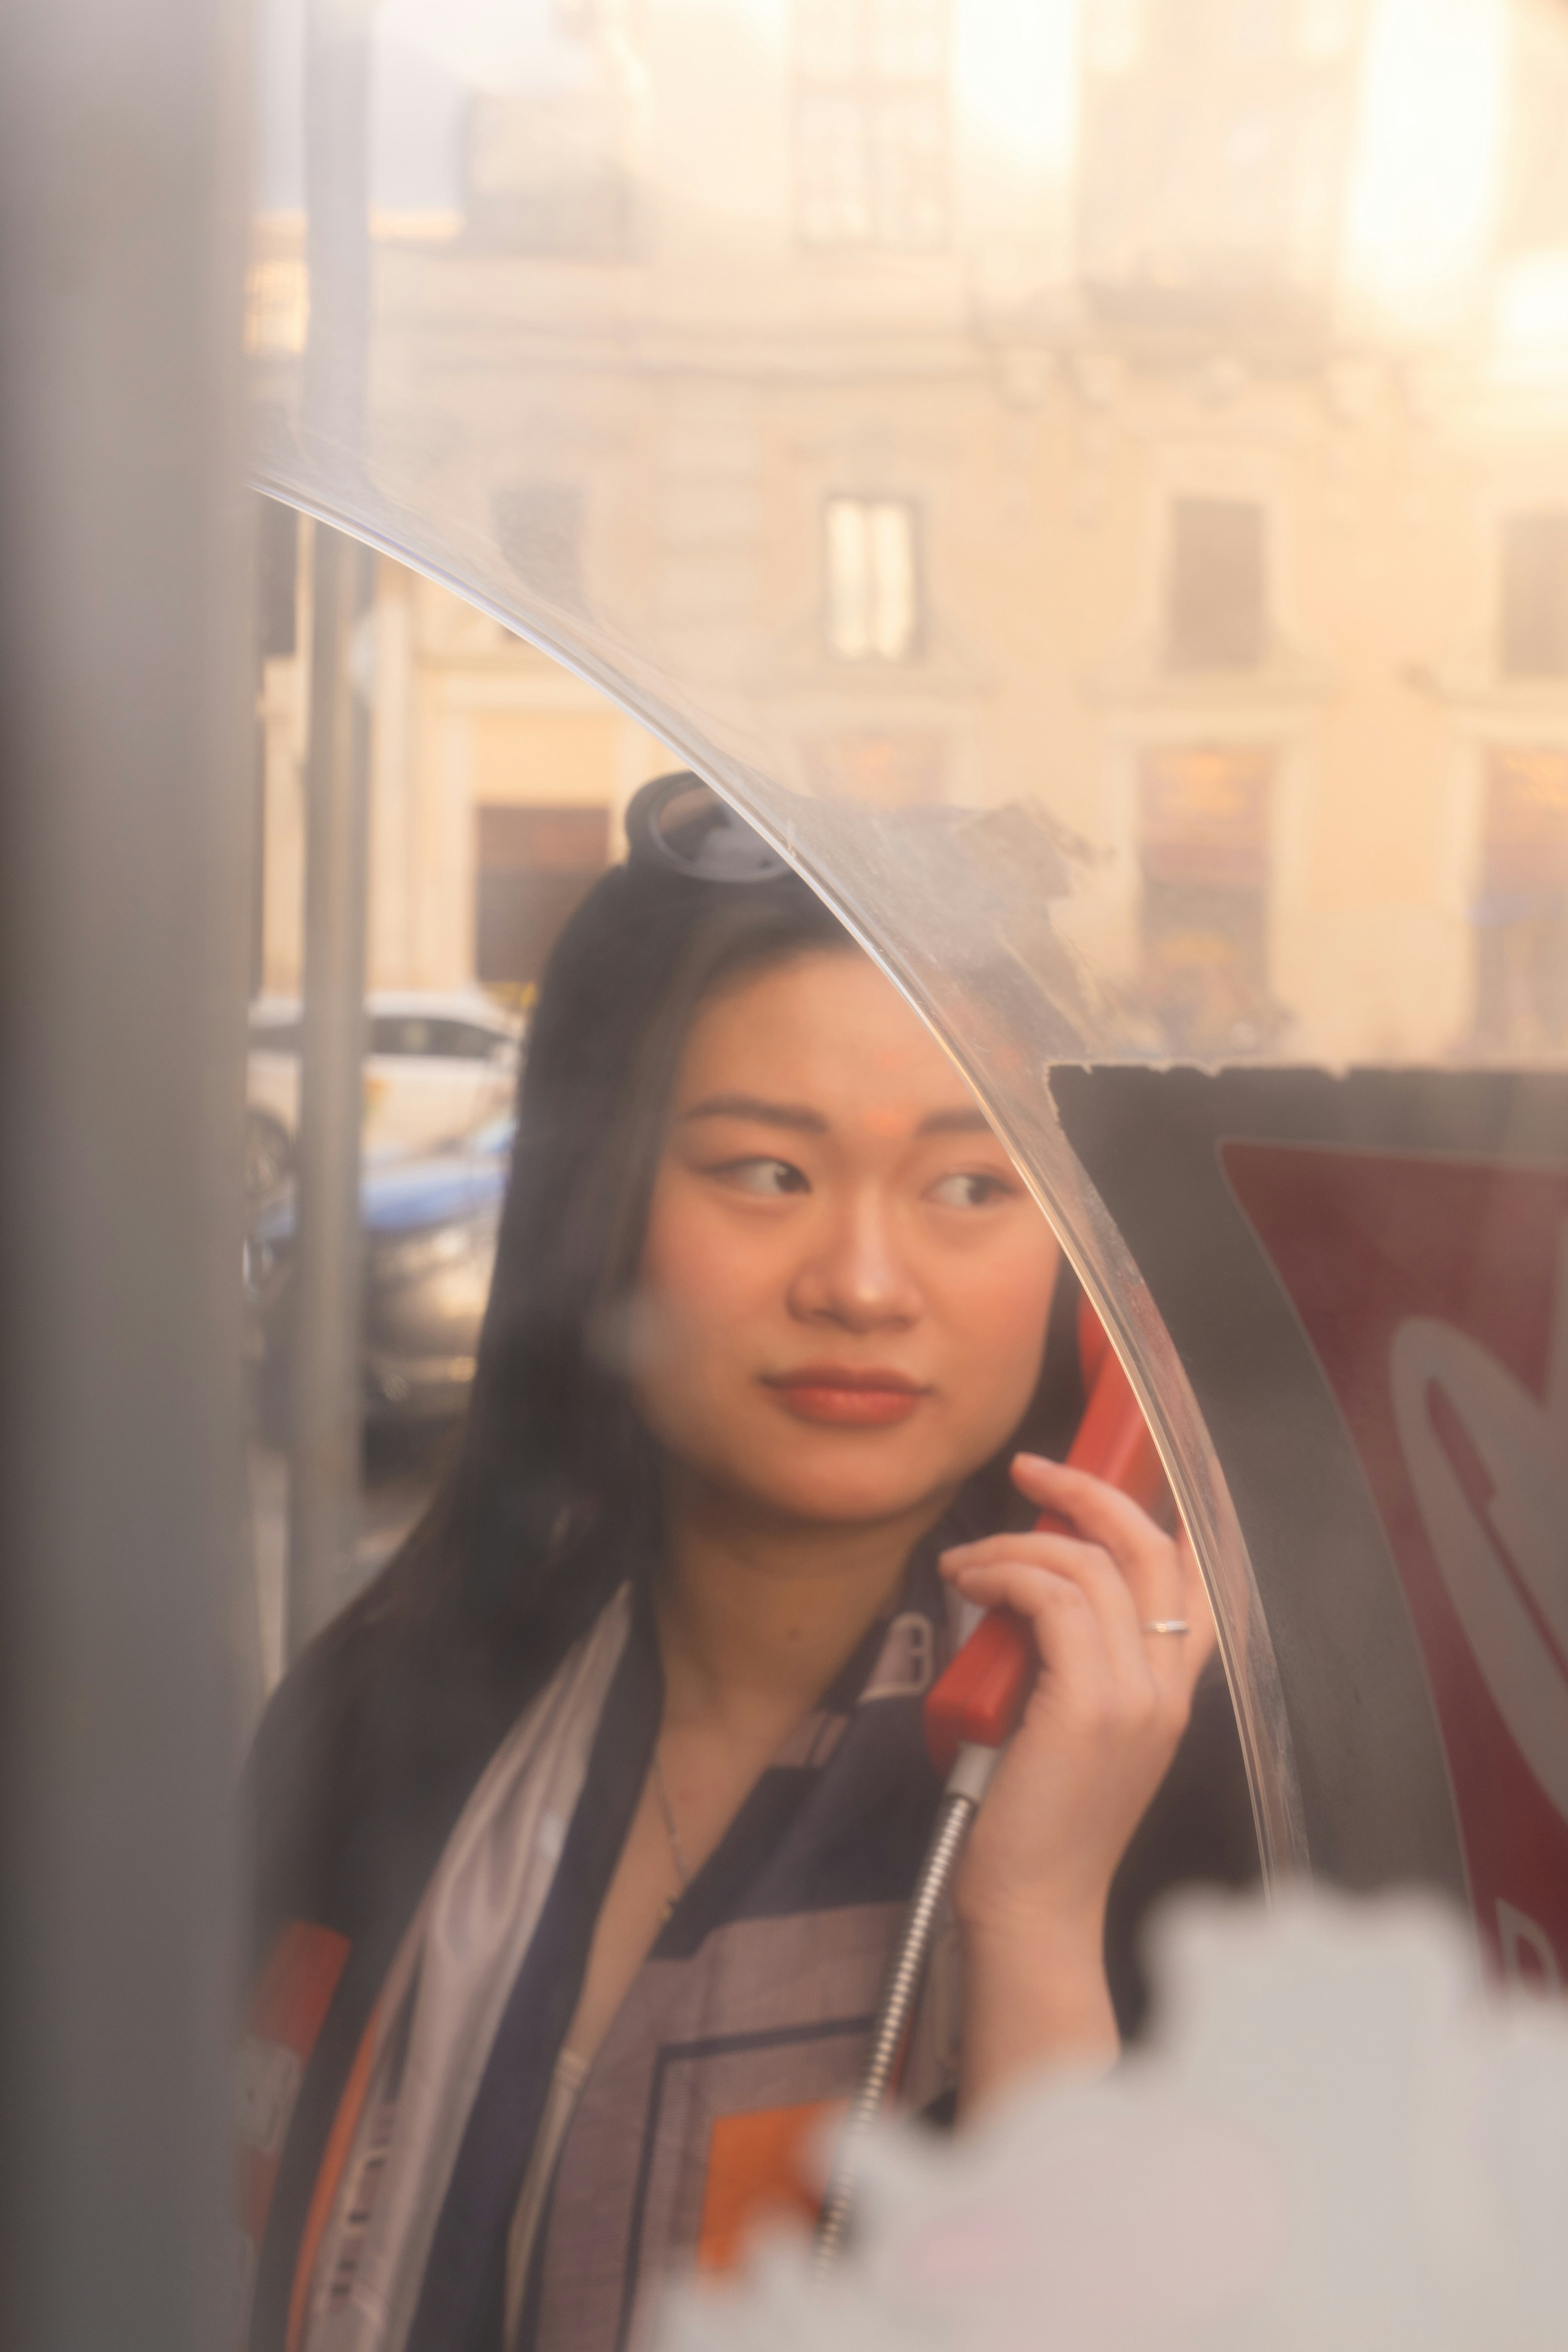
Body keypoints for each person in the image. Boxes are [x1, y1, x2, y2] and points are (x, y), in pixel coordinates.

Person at [238, 775, 1256, 2352]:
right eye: (765, 1172)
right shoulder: (384, 1707)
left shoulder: (1181, 1808)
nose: (861, 1282)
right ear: (601, 1213)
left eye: (972, 1186)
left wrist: (1040, 1926)